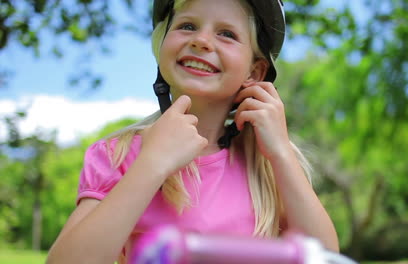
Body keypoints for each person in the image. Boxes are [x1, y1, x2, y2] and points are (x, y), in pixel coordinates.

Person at [46, 0, 339, 263]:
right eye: (187, 26)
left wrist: (281, 152)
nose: (201, 40)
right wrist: (151, 164)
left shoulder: (266, 165)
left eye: (227, 34)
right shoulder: (119, 153)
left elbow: (324, 257)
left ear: (255, 73)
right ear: (162, 46)